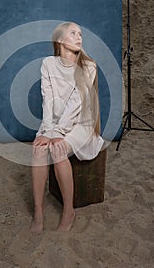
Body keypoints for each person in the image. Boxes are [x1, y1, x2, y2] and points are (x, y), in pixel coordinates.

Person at [30, 22, 104, 233]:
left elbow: (76, 102)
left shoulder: (88, 66)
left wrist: (57, 134)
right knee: (38, 150)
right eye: (73, 33)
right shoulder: (47, 64)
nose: (79, 37)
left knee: (58, 149)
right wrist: (47, 130)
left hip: (80, 123)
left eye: (81, 33)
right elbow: (48, 99)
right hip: (52, 122)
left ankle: (68, 211)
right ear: (60, 40)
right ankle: (38, 211)